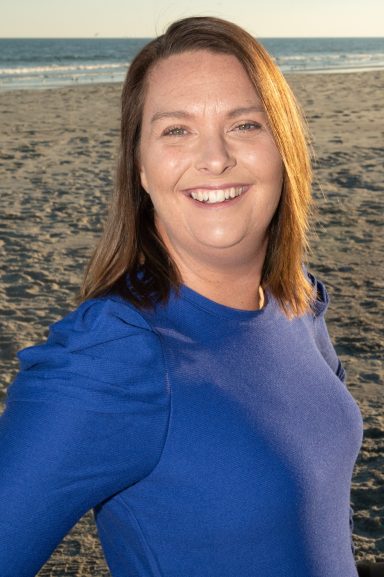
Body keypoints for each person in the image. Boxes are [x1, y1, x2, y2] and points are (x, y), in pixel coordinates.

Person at [0, 16, 365, 577]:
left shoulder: (299, 301)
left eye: (245, 124)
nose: (214, 158)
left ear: (284, 148)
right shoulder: (114, 352)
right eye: (176, 130)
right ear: (141, 167)